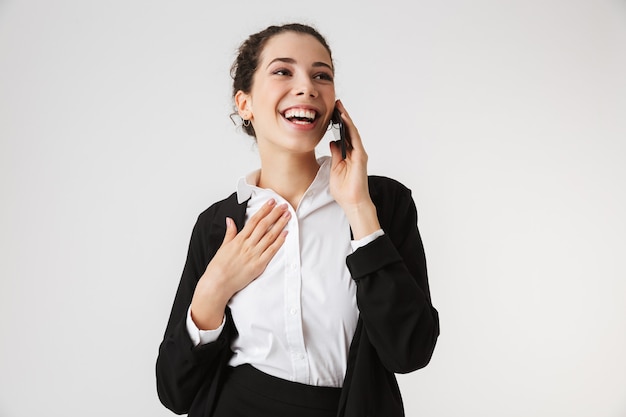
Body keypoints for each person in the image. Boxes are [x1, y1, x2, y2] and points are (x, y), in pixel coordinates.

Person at [156, 22, 439, 417]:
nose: (306, 86)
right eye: (283, 71)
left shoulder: (383, 204)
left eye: (321, 75)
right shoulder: (216, 225)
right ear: (245, 103)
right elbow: (174, 392)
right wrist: (213, 291)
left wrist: (359, 210)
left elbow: (410, 351)